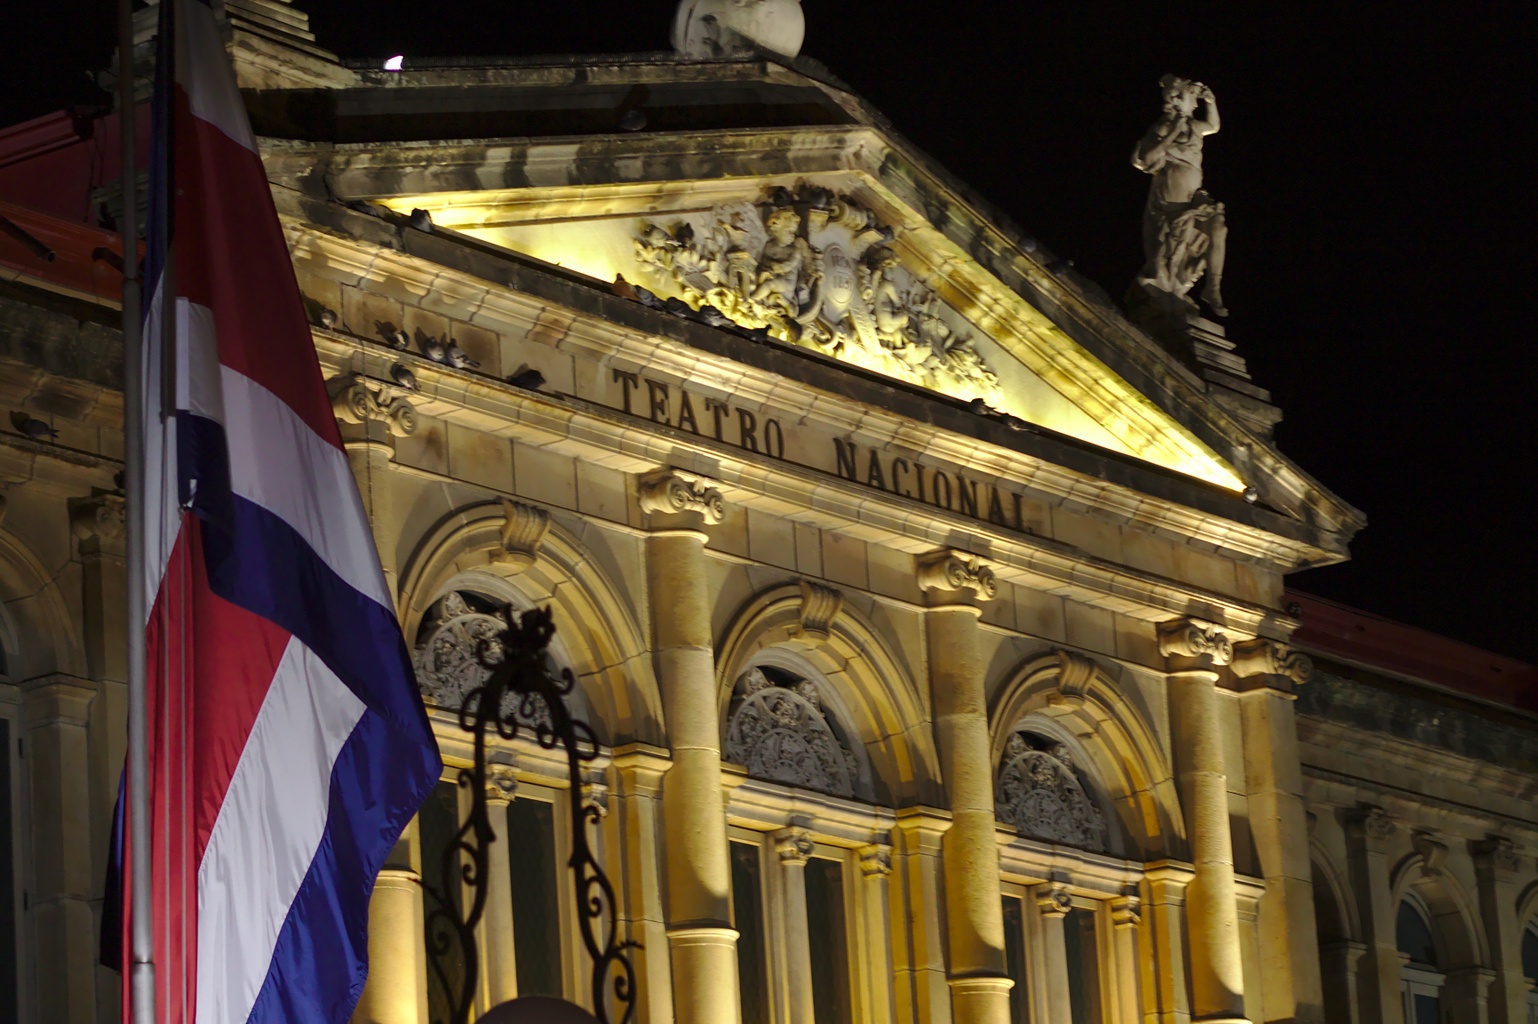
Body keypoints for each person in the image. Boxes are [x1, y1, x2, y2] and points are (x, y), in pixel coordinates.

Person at [1132, 75, 1229, 317]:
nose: (1195, 104)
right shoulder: (1163, 127)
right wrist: (1171, 134)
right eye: (1191, 98)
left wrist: (1211, 102)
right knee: (1173, 248)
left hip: (1194, 195)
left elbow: (1214, 126)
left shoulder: (1196, 128)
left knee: (1218, 227)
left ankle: (1213, 287)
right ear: (1177, 100)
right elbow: (1146, 158)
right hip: (1171, 198)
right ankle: (1169, 287)